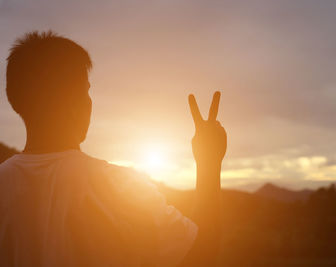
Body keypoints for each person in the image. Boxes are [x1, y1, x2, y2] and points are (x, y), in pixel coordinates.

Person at [0, 31, 227, 267]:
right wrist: (209, 160)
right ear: (74, 104)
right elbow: (201, 252)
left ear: (16, 101)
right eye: (86, 91)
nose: (89, 101)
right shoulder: (119, 188)